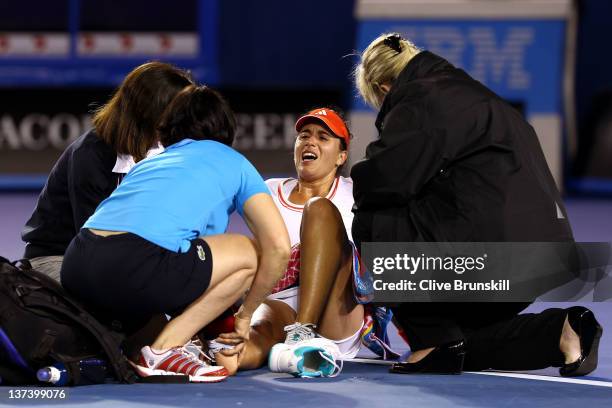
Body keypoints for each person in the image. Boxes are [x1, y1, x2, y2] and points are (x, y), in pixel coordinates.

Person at [351, 33, 602, 376]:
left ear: (383, 88)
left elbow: (385, 178)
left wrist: (354, 179)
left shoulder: (421, 97)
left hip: (490, 257)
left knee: (372, 215)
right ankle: (562, 332)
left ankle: (432, 343)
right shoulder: (471, 94)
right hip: (544, 258)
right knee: (464, 342)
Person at [60, 85, 291, 382]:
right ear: (225, 127)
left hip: (77, 265)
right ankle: (165, 350)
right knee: (251, 253)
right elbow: (279, 247)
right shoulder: (233, 161)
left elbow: (191, 267)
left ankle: (151, 347)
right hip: (134, 268)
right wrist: (245, 316)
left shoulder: (152, 161)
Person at [210, 108, 395, 378]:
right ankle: (263, 354)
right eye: (304, 136)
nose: (310, 141)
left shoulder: (357, 192)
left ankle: (303, 332)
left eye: (323, 138)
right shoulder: (270, 190)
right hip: (280, 303)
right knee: (251, 335)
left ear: (341, 156)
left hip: (337, 309)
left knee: (318, 209)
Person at [21, 62, 193, 282]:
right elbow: (95, 248)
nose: (185, 120)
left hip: (114, 256)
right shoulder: (90, 155)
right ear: (150, 113)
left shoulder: (165, 151)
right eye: (180, 112)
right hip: (57, 259)